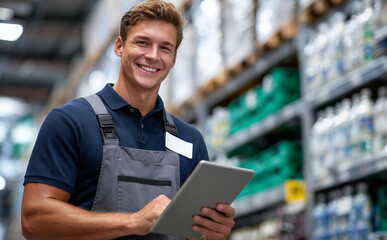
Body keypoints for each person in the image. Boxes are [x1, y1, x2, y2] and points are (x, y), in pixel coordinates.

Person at [21, 1, 235, 239]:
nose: (153, 56)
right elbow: (34, 220)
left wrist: (212, 231)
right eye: (142, 42)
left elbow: (193, 232)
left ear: (174, 58)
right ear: (119, 46)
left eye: (165, 48)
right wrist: (133, 221)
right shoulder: (70, 122)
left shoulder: (190, 139)